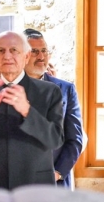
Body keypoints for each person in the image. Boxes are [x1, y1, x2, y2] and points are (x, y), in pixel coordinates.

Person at [0, 31, 64, 190]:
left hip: (37, 187)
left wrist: (28, 111)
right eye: (1, 51)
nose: (7, 56)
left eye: (14, 50)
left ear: (26, 56)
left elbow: (55, 140)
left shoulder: (49, 92)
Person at [23, 28, 85, 189]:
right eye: (34, 51)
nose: (41, 56)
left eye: (44, 51)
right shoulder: (8, 89)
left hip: (55, 184)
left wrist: (57, 172)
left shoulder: (66, 89)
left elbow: (75, 139)